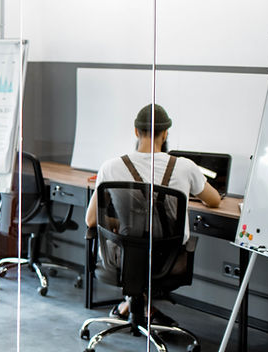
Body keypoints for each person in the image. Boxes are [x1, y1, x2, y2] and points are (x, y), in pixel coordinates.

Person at [84, 103, 221, 325]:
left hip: (123, 257)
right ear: (165, 133)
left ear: (136, 132)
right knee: (152, 248)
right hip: (167, 259)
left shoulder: (110, 167)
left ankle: (132, 303)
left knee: (136, 246)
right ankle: (141, 305)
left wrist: (119, 221)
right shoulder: (185, 167)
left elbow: (90, 220)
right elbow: (214, 200)